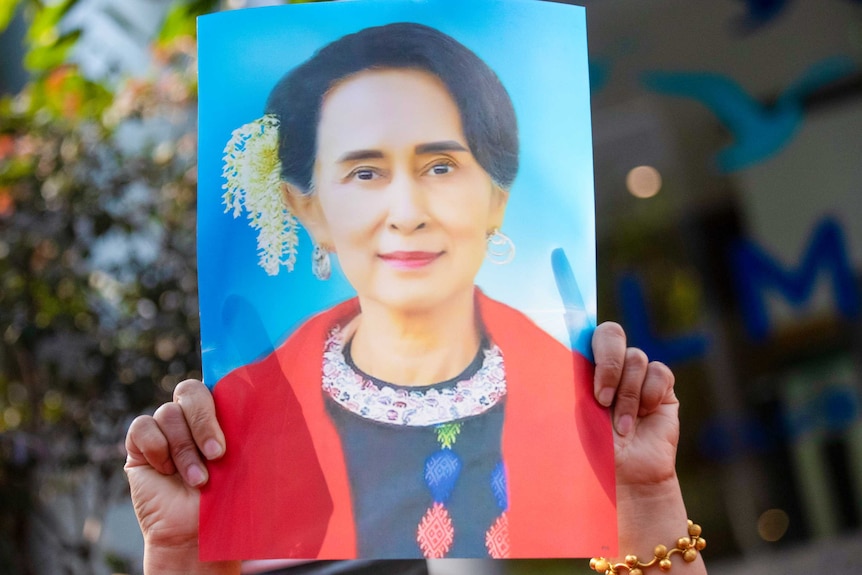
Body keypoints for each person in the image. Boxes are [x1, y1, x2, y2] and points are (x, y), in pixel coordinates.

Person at [124, 21, 707, 574]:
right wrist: (182, 557)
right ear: (308, 208)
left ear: (497, 197)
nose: (406, 214)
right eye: (365, 174)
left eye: (441, 165)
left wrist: (642, 501)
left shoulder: (572, 406)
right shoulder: (250, 432)